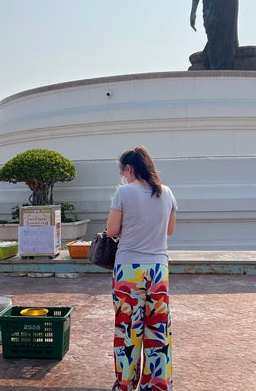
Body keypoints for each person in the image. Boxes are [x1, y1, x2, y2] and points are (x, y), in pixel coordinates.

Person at [106, 146, 177, 391]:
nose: (122, 176)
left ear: (129, 168)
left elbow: (111, 231)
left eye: (122, 171)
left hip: (128, 271)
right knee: (158, 329)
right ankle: (156, 385)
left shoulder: (123, 192)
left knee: (128, 329)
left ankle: (126, 384)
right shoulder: (166, 192)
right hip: (158, 270)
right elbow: (169, 231)